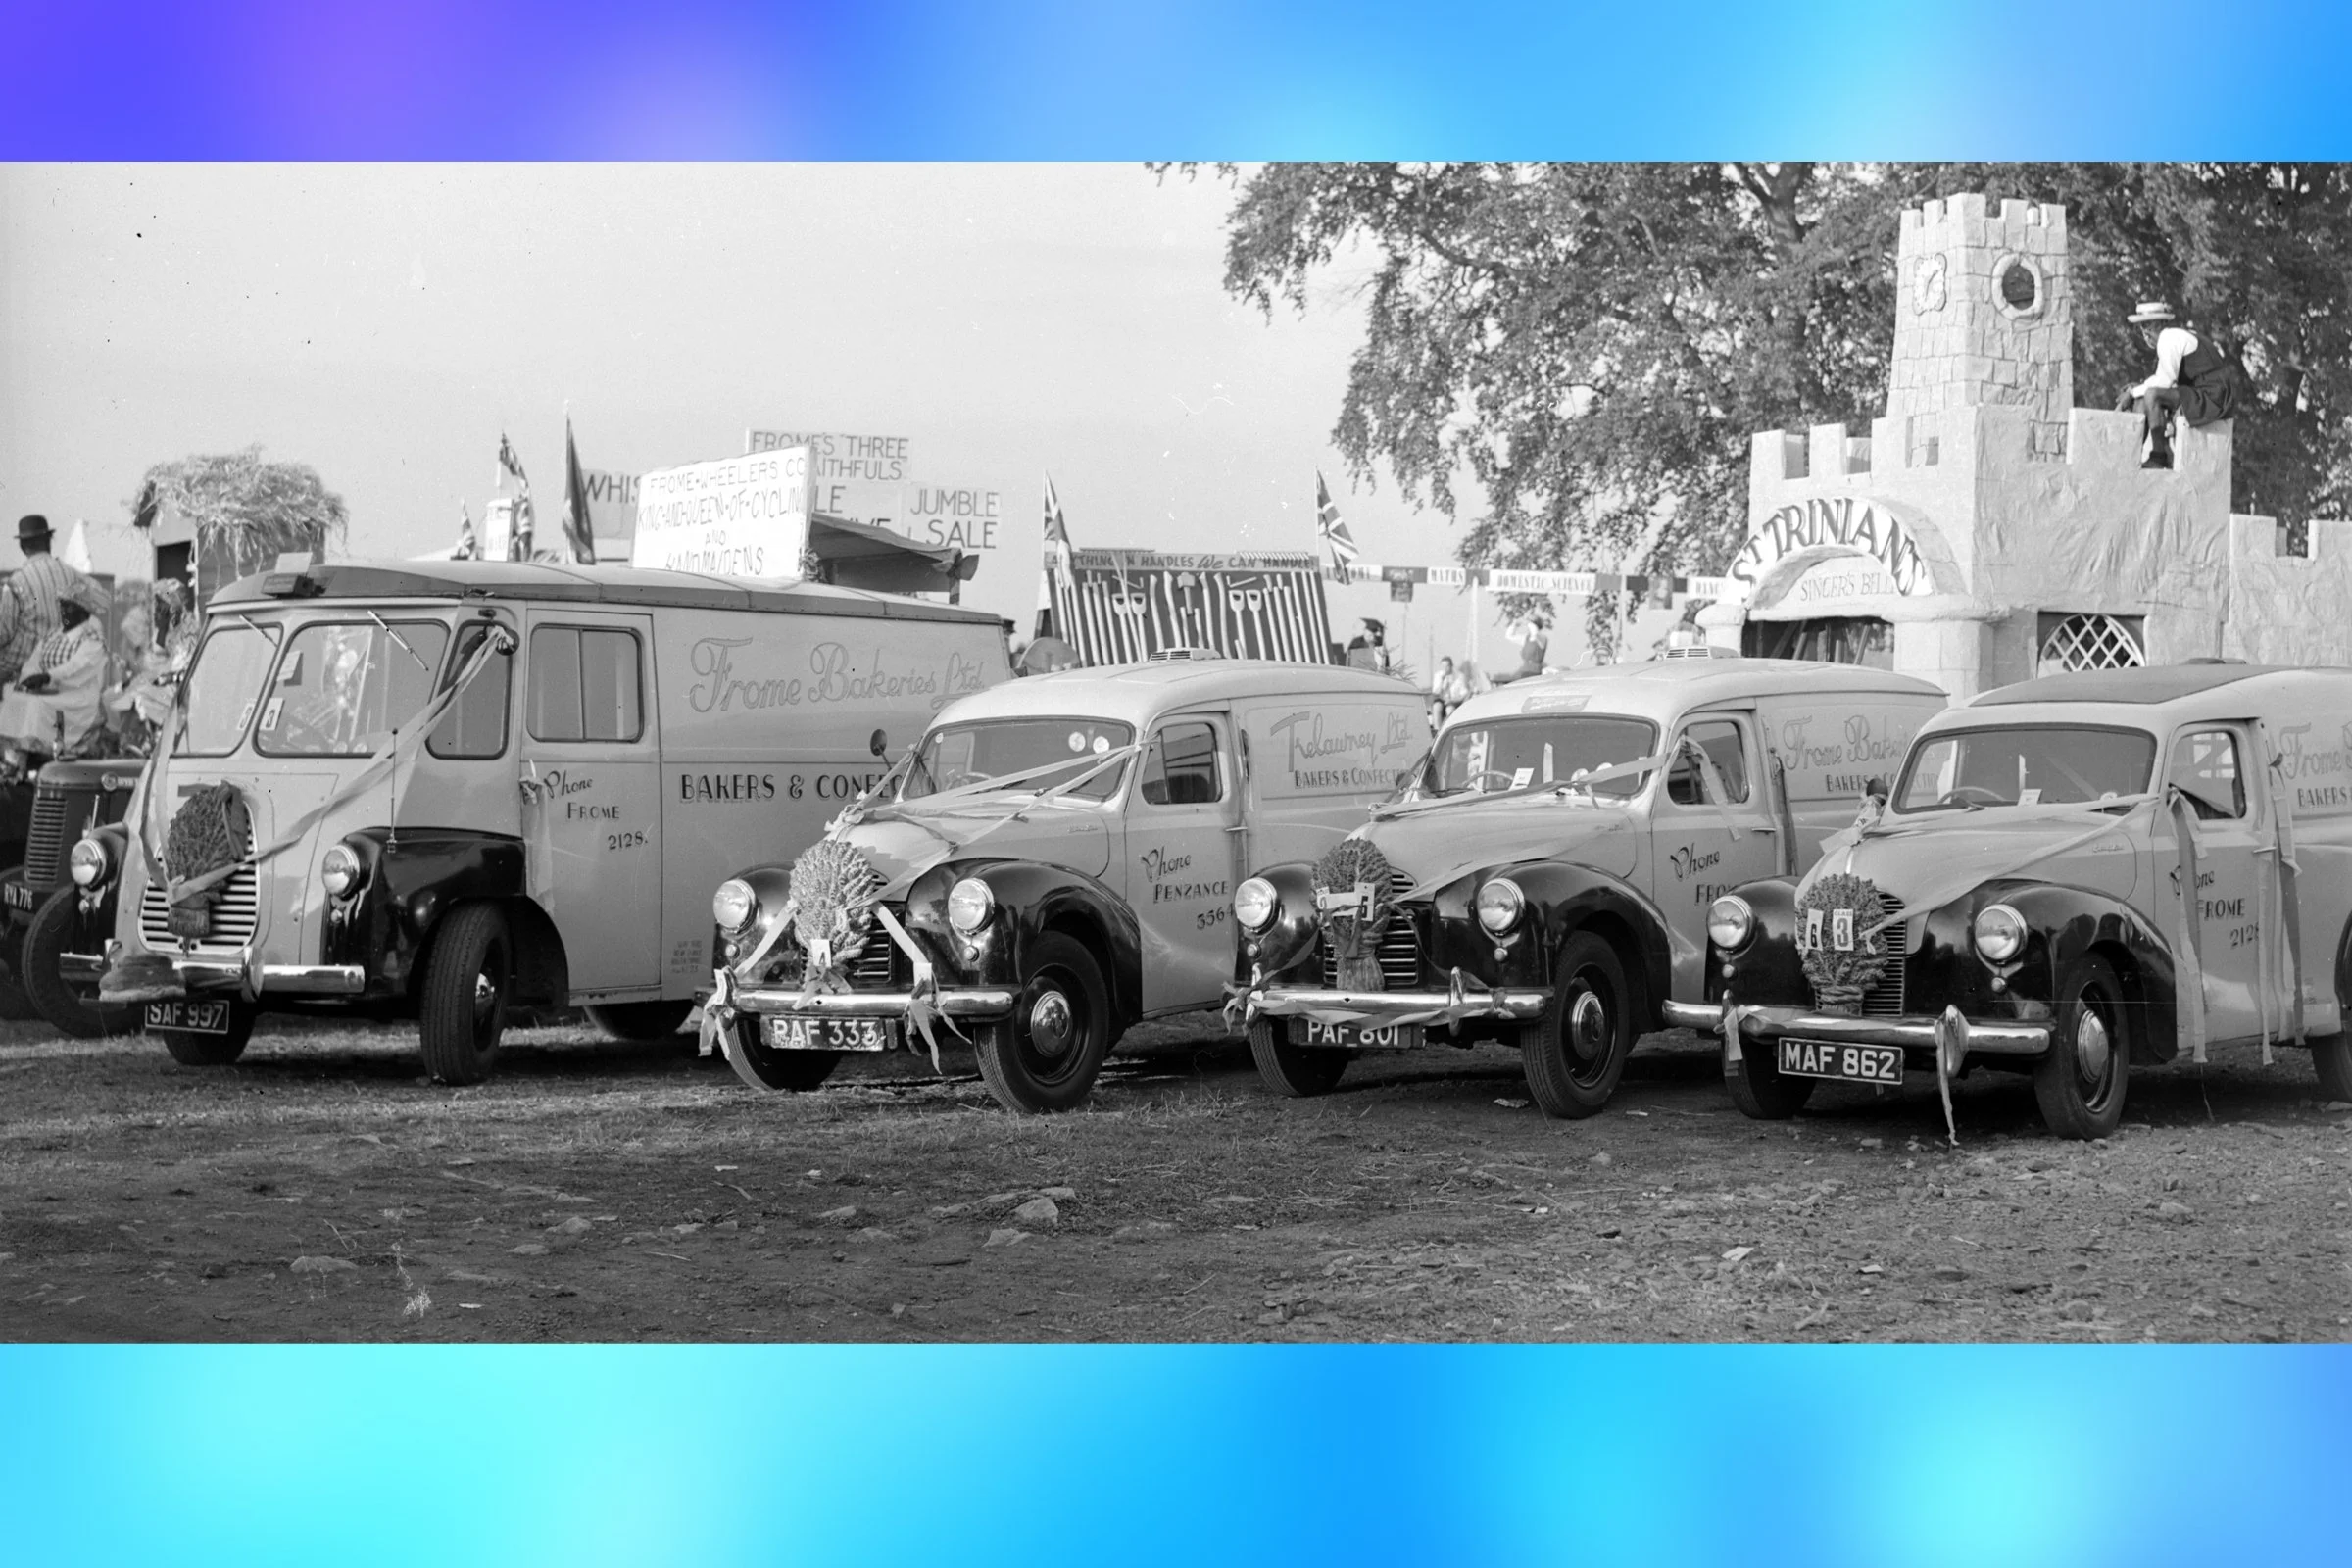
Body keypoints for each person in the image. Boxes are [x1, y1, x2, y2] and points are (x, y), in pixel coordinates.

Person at [0, 578, 109, 773]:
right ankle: (13, 762)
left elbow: (78, 667)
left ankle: (34, 756)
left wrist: (48, 677)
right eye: (62, 606)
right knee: (11, 698)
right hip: (48, 693)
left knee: (37, 706)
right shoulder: (52, 636)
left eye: (70, 607)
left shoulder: (92, 638)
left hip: (77, 697)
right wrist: (30, 678)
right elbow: (33, 662)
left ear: (84, 611)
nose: (64, 611)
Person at [2115, 301, 2235, 469]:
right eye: (2142, 327)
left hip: (2213, 397)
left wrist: (2132, 393)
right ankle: (2132, 455)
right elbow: (2158, 378)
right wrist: (2133, 390)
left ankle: (2158, 456)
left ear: (2162, 324)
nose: (2145, 333)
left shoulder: (2168, 338)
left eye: (2149, 326)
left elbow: (2164, 382)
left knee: (2152, 395)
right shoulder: (2172, 338)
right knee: (2144, 393)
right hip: (2203, 393)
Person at [0, 514, 91, 688]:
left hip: (22, 669)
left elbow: (3, 633)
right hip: (67, 665)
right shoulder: (73, 576)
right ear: (49, 540)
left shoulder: (17, 582)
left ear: (22, 546)